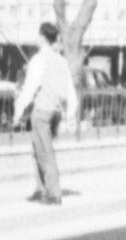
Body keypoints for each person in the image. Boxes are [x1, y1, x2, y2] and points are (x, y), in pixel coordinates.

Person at [13, 22, 78, 206]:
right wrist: (70, 113)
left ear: (42, 37)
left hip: (42, 110)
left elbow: (30, 88)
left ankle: (53, 193)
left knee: (44, 152)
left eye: (38, 35)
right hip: (56, 110)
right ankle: (40, 188)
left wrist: (18, 111)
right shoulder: (61, 60)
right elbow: (70, 88)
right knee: (37, 150)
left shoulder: (39, 60)